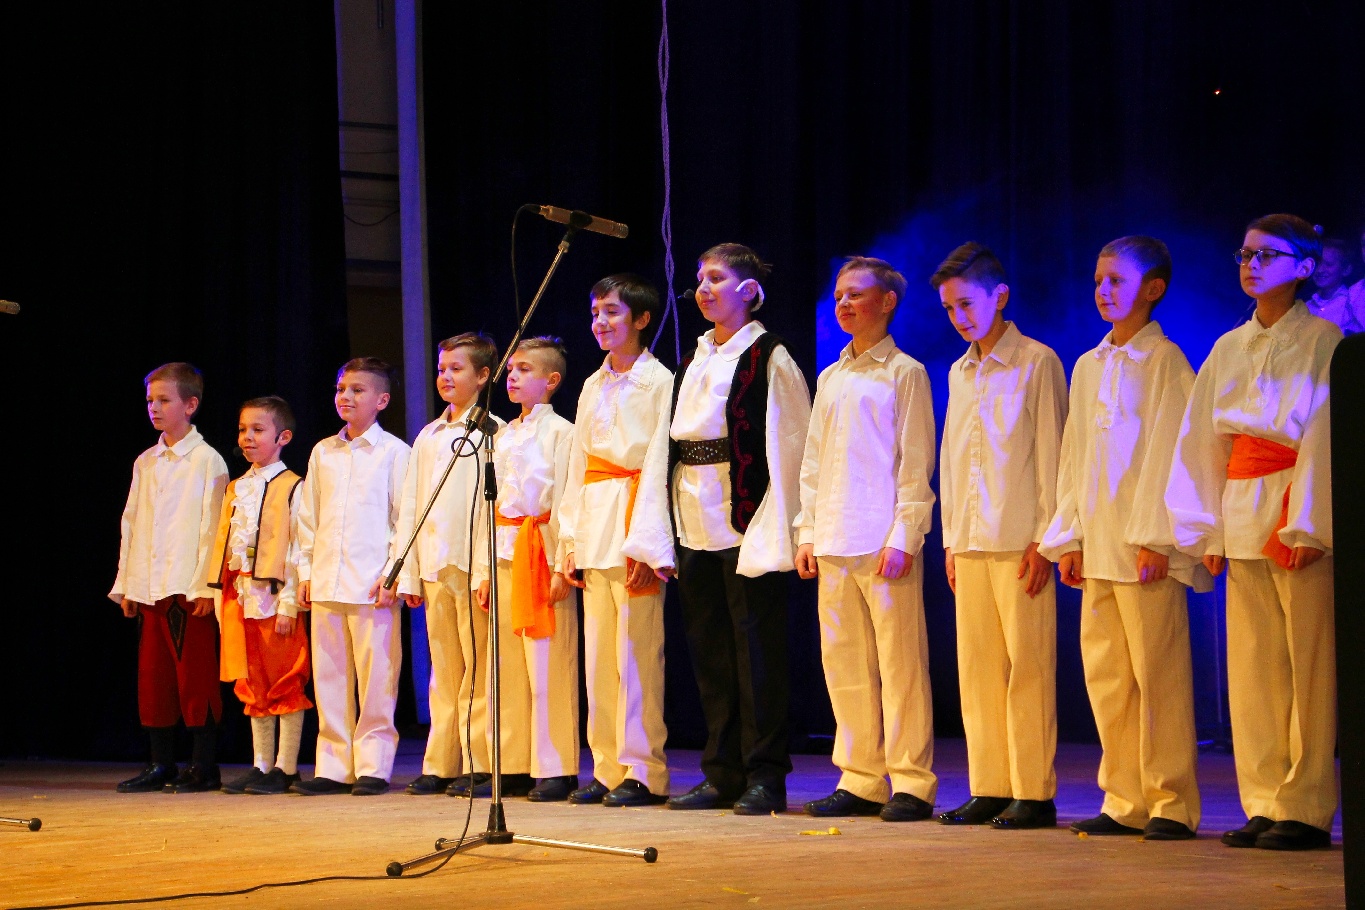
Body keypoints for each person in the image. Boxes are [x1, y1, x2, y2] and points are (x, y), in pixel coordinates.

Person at [1166, 214, 1339, 851]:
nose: (1252, 264)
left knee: (1308, 666)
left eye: (1268, 255)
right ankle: (1263, 800)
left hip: (1295, 508)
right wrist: (1207, 530)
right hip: (1242, 509)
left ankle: (1305, 806)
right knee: (1254, 669)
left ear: (1304, 267)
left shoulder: (1325, 340)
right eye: (1245, 254)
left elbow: (1324, 432)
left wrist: (1309, 523)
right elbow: (1202, 441)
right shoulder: (1228, 346)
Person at [1040, 237, 1206, 840]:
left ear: (1153, 289)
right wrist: (1070, 536)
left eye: (1117, 280)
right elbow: (1074, 456)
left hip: (1143, 547)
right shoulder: (1089, 364)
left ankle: (1170, 801)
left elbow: (1173, 452)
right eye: (1099, 280)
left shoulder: (1164, 362)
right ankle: (1124, 798)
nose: (1104, 290)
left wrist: (1159, 538)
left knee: (1159, 677)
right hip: (1100, 545)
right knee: (1108, 677)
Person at [664, 243, 813, 816]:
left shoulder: (769, 356)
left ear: (749, 291)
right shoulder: (696, 357)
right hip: (694, 519)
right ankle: (722, 771)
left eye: (717, 279)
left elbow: (792, 444)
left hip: (749, 520)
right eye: (700, 279)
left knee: (758, 654)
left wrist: (789, 524)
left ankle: (765, 773)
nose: (704, 289)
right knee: (711, 653)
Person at [793, 257, 938, 822]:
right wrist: (807, 531)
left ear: (887, 301)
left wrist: (904, 534)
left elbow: (915, 462)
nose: (844, 304)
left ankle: (911, 781)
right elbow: (813, 462)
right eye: (839, 296)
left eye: (856, 294)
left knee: (900, 665)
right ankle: (860, 777)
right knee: (845, 665)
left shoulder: (905, 372)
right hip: (834, 537)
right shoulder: (831, 377)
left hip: (882, 540)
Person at [934, 241, 1067, 830]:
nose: (959, 317)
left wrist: (1045, 537)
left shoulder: (1037, 362)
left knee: (1028, 666)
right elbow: (953, 459)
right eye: (950, 308)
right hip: (970, 540)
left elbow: (1052, 454)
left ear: (1000, 296)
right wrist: (950, 539)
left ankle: (1033, 791)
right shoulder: (959, 371)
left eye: (967, 303)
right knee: (978, 669)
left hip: (1019, 539)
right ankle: (989, 784)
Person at [557, 275, 675, 806]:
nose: (600, 322)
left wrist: (648, 543)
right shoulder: (592, 384)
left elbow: (658, 464)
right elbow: (577, 465)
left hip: (632, 522)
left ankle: (644, 769)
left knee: (637, 655)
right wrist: (568, 541)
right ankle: (605, 766)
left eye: (612, 312)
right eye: (595, 313)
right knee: (600, 657)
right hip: (594, 523)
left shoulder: (658, 381)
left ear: (641, 319)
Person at [467, 337, 580, 801]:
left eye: (524, 369)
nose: (511, 377)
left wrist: (559, 563)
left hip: (540, 550)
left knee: (548, 662)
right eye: (510, 369)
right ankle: (511, 762)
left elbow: (566, 498)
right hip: (504, 551)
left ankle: (556, 766)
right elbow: (488, 506)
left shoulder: (562, 433)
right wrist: (483, 568)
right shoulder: (501, 435)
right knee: (506, 667)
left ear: (551, 381)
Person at [293, 357, 411, 796]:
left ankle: (373, 766)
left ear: (382, 400)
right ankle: (333, 766)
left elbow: (405, 519)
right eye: (342, 389)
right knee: (330, 677)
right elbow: (308, 517)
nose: (346, 396)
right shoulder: (323, 451)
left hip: (371, 583)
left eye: (358, 390)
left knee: (377, 677)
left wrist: (393, 574)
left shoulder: (394, 453)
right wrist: (306, 570)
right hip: (327, 578)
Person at [393, 333, 504, 797]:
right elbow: (412, 504)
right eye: (442, 369)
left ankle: (478, 762)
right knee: (443, 669)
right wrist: (407, 569)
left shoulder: (492, 432)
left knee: (478, 668)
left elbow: (490, 508)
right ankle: (441, 760)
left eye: (457, 369)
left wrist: (484, 569)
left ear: (483, 375)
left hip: (469, 564)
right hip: (435, 563)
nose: (445, 377)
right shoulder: (429, 435)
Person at [110, 362, 229, 794]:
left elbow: (213, 529)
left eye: (164, 400)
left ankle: (204, 765)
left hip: (186, 586)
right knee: (154, 677)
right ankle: (161, 763)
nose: (154, 408)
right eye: (150, 400)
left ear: (190, 405)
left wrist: (205, 586)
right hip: (149, 586)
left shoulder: (206, 460)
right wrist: (127, 583)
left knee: (195, 676)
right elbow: (132, 523)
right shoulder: (147, 462)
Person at [209, 396, 311, 795]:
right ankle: (261, 764)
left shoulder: (292, 486)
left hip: (275, 598)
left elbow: (297, 549)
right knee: (252, 681)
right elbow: (226, 545)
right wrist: (221, 602)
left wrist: (289, 603)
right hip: (240, 597)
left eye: (257, 430)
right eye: (242, 430)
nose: (247, 437)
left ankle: (287, 767)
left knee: (284, 679)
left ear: (283, 437)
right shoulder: (236, 487)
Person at [1303, 237, 1361, 334]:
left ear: (1346, 269)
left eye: (1328, 264)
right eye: (1318, 263)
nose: (1320, 270)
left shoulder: (1351, 305)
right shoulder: (1307, 305)